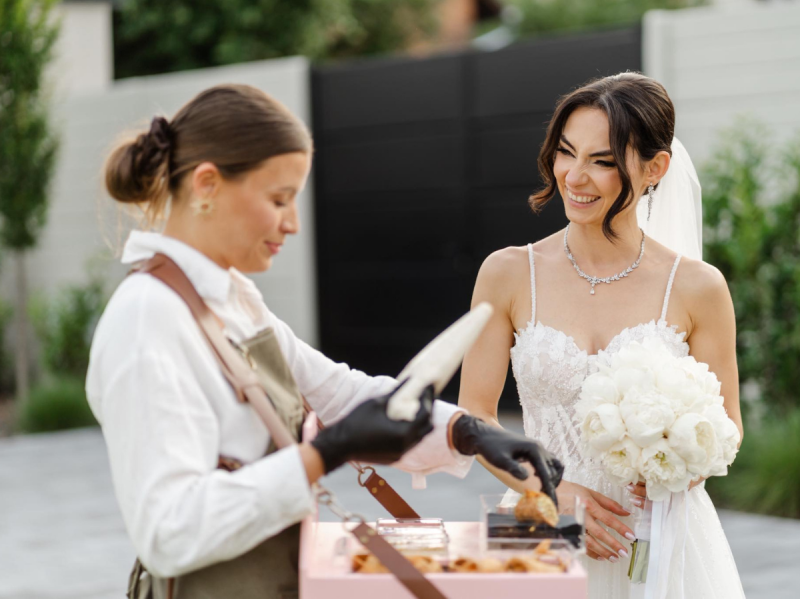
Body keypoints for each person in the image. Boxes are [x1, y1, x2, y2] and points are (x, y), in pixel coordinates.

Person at [86, 83, 563, 599]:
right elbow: (169, 531)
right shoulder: (147, 318)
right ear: (207, 185)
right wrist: (327, 452)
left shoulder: (234, 298)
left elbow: (339, 394)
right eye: (279, 199)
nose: (292, 223)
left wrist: (464, 430)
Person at [458, 73, 745, 598]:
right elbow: (474, 417)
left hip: (656, 534)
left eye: (603, 161)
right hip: (537, 519)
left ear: (655, 169)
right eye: (566, 152)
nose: (574, 176)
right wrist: (554, 492)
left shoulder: (699, 287)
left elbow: (727, 427)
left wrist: (675, 468)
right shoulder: (507, 273)